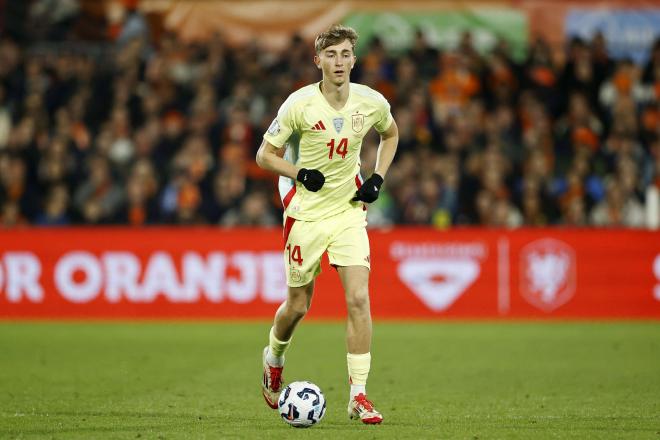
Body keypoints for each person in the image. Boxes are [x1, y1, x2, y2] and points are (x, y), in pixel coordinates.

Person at [255, 24, 398, 425]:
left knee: (358, 299)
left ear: (354, 58)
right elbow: (264, 156)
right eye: (331, 55)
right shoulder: (299, 104)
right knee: (298, 305)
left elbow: (391, 134)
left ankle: (359, 396)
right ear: (317, 60)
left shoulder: (371, 102)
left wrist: (378, 177)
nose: (339, 62)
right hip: (306, 213)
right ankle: (274, 357)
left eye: (346, 54)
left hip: (349, 211)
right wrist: (299, 172)